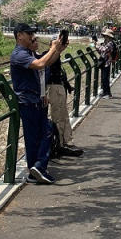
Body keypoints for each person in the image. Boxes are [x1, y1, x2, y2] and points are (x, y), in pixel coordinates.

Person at [10, 23, 64, 183]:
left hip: (36, 100)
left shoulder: (28, 53)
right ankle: (36, 169)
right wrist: (53, 48)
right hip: (27, 102)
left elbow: (46, 62)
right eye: (29, 34)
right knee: (34, 137)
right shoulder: (19, 54)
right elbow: (40, 64)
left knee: (45, 132)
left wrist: (58, 49)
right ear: (20, 35)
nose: (32, 37)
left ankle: (37, 168)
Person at [45, 29, 84, 158]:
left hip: (58, 88)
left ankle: (65, 142)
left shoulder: (56, 54)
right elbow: (49, 64)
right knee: (58, 117)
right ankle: (58, 145)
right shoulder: (47, 55)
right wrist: (57, 49)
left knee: (63, 116)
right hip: (53, 89)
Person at [98, 28, 117, 98]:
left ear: (108, 36)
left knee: (105, 78)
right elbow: (101, 51)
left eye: (105, 36)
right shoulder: (107, 43)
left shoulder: (110, 43)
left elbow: (104, 50)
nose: (104, 37)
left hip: (107, 62)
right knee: (103, 78)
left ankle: (108, 93)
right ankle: (105, 92)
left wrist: (97, 45)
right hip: (104, 62)